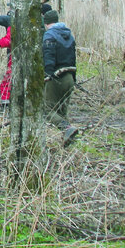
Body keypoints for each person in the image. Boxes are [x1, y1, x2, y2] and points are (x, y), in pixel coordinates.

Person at [42, 8, 79, 146]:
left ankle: (68, 128)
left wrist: (47, 75)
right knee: (62, 112)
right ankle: (67, 141)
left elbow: (49, 56)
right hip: (69, 76)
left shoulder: (49, 35)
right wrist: (74, 78)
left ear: (46, 23)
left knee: (47, 110)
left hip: (57, 78)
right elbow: (73, 57)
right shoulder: (68, 34)